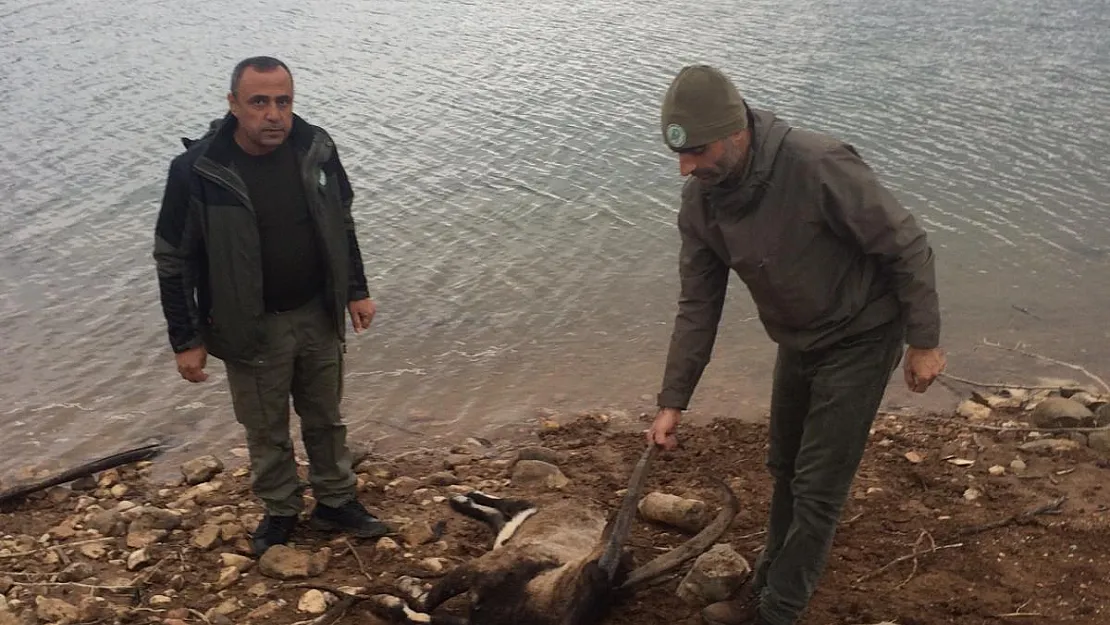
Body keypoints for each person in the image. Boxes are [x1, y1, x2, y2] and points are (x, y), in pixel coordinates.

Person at [645, 65, 946, 625]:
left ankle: (779, 609)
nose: (686, 168)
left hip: (862, 333)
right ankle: (768, 581)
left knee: (817, 485)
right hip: (800, 339)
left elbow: (907, 245)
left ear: (736, 132)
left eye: (697, 152)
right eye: (678, 156)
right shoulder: (702, 203)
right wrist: (672, 402)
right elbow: (697, 307)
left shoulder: (818, 164)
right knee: (783, 466)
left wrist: (923, 341)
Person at [153, 56, 390, 556]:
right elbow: (174, 259)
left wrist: (355, 289)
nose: (274, 114)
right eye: (259, 102)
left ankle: (335, 501)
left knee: (326, 417)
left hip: (316, 313)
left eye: (283, 101)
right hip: (248, 325)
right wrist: (186, 339)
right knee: (265, 429)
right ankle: (281, 509)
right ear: (234, 104)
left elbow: (341, 224)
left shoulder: (316, 148)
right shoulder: (198, 171)